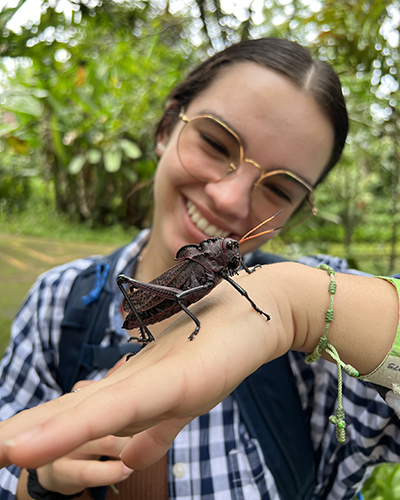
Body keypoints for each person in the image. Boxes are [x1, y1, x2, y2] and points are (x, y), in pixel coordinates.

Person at [0, 36, 399, 500]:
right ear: (166, 128)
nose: (230, 199)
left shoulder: (327, 298)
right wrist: (42, 482)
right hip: (151, 306)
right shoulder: (57, 304)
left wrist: (300, 305)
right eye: (214, 142)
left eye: (281, 189)